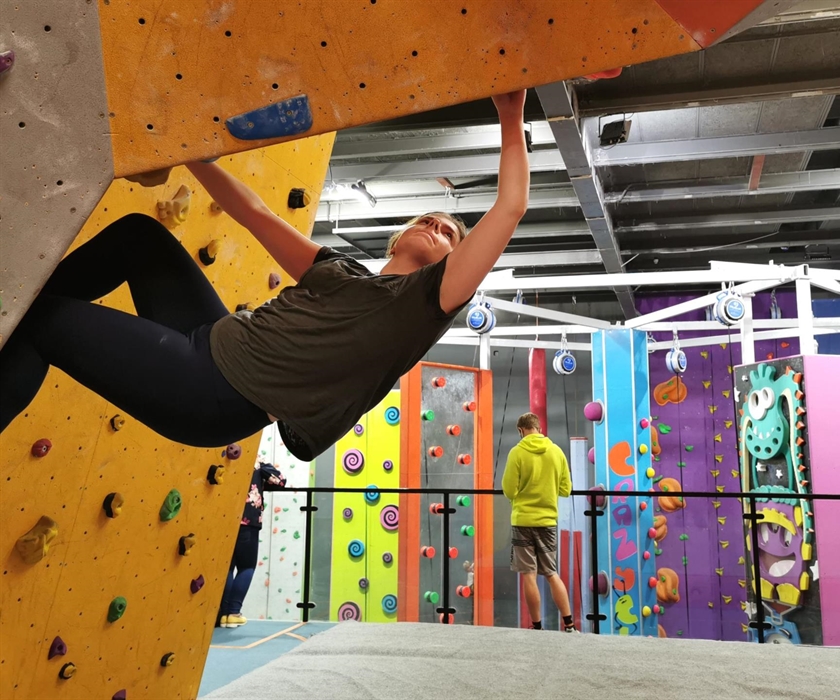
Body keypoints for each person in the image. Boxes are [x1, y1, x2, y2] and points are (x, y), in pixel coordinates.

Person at [0, 91, 529, 461]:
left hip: (214, 393)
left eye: (449, 235)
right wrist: (188, 153)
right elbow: (255, 214)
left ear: (453, 267)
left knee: (46, 323)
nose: (437, 224)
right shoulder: (340, 272)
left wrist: (510, 117)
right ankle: (12, 318)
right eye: (429, 220)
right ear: (398, 237)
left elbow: (509, 207)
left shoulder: (423, 305)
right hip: (210, 338)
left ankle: (19, 321)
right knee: (138, 236)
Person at [502, 412, 576, 632]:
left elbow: (509, 491)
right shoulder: (556, 452)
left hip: (523, 521)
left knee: (529, 574)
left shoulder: (517, 453)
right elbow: (566, 489)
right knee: (552, 573)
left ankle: (537, 626)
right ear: (539, 428)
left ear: (521, 430)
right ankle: (570, 624)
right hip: (548, 522)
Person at [218, 461, 285, 628]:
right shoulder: (256, 463)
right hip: (248, 521)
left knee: (226, 567)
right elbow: (280, 481)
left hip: (222, 519)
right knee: (246, 566)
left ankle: (222, 613)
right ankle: (233, 613)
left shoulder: (220, 458)